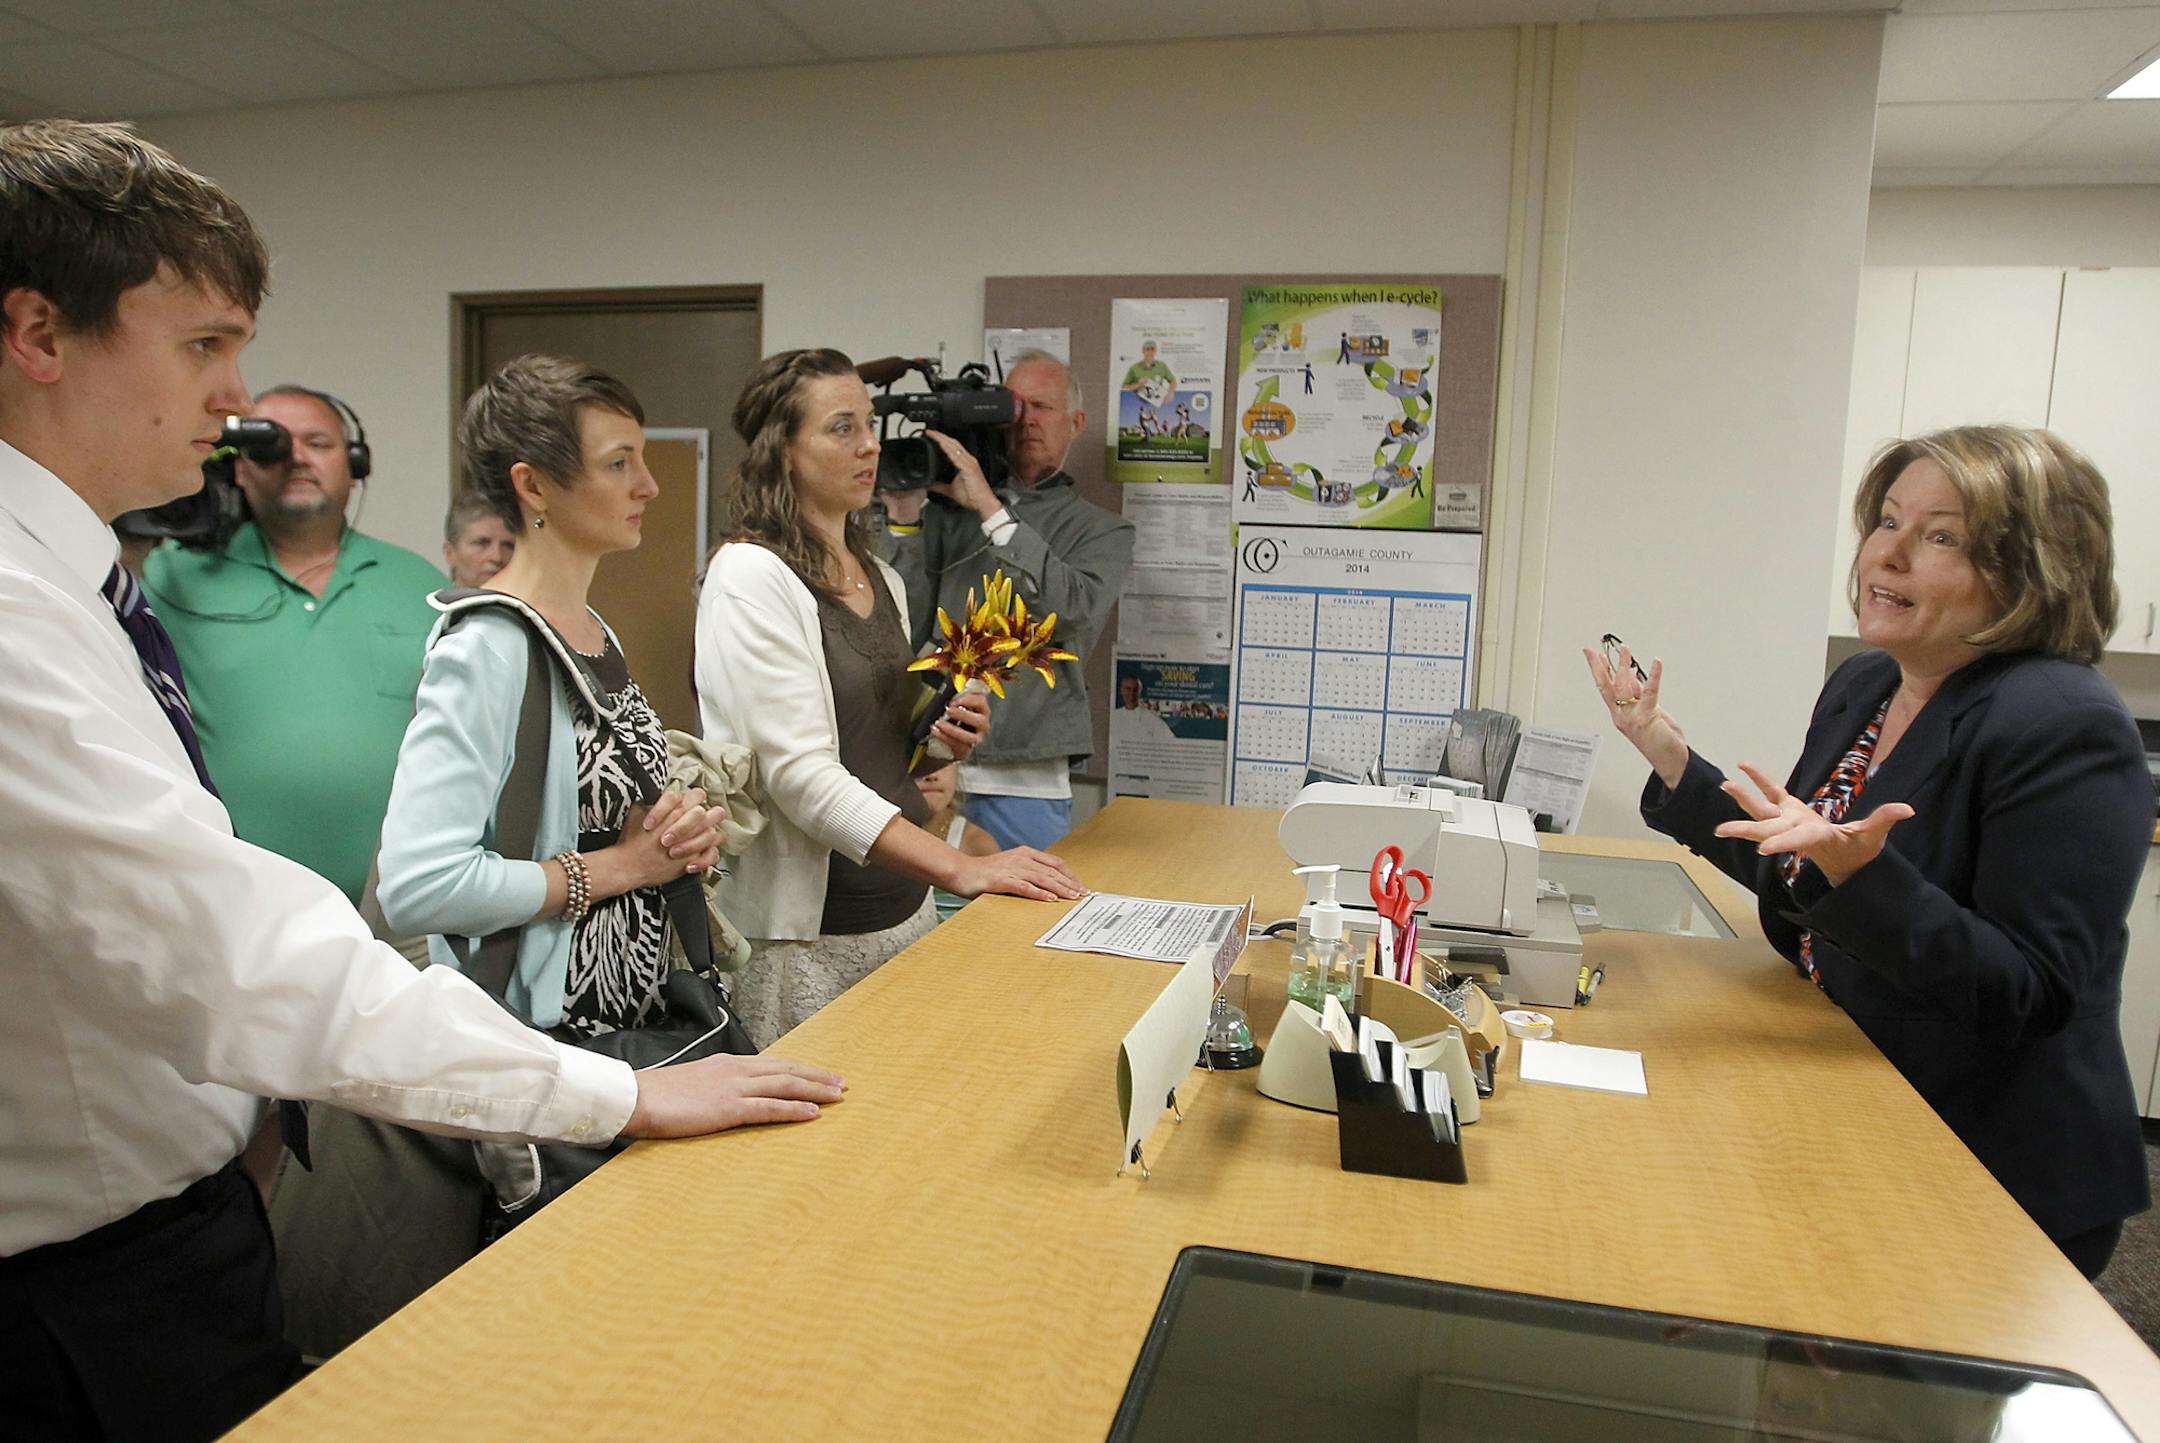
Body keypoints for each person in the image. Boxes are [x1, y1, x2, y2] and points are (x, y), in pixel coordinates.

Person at [0, 119, 841, 1442]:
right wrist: (605, 1076)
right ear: (41, 334)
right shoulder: (25, 609)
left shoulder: (83, 578)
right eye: (204, 346)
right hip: (95, 1272)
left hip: (229, 1159)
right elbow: (253, 944)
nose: (240, 399)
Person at [1585, 425, 2152, 1279]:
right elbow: (1807, 874)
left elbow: (2027, 992)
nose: (1887, 556)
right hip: (1857, 1099)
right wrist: (1672, 757)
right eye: (1887, 521)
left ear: (2030, 569)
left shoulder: (2064, 721)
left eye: (1940, 536)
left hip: (1988, 1164)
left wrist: (1860, 874)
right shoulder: (1867, 684)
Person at [698, 348, 1086, 1047]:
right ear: (782, 452)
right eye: (841, 427)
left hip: (903, 914)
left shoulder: (882, 574)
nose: (870, 444)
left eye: (870, 423)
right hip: (809, 942)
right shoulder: (750, 577)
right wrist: (963, 868)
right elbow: (801, 778)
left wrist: (941, 739)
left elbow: (884, 751)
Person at [140, 383, 444, 903]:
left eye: (318, 443)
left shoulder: (419, 583)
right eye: (271, 444)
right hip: (232, 903)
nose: (296, 457)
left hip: (399, 908)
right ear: (237, 466)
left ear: (354, 465)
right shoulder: (171, 576)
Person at [882, 348, 1135, 851]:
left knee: (1018, 920)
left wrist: (991, 511)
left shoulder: (1103, 531)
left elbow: (1073, 611)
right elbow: (898, 625)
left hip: (1023, 773)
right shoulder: (947, 516)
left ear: (1076, 421)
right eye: (1014, 408)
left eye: (1041, 407)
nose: (1026, 422)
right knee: (918, 922)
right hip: (922, 759)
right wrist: (905, 519)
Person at [442, 486, 516, 588]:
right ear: (449, 553)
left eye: (508, 546)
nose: (497, 557)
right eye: (482, 543)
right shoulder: (426, 603)